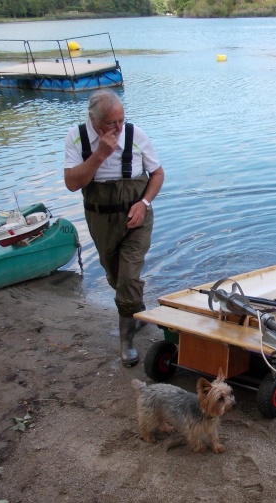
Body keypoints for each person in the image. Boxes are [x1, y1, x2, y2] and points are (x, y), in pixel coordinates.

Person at [64, 89, 165, 367]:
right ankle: (135, 311)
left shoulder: (136, 135)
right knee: (115, 276)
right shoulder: (77, 137)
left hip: (136, 217)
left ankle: (126, 343)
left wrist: (143, 202)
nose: (119, 128)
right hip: (100, 221)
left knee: (129, 278)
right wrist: (100, 155)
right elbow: (72, 183)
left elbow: (157, 173)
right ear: (94, 120)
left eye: (122, 120)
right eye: (112, 123)